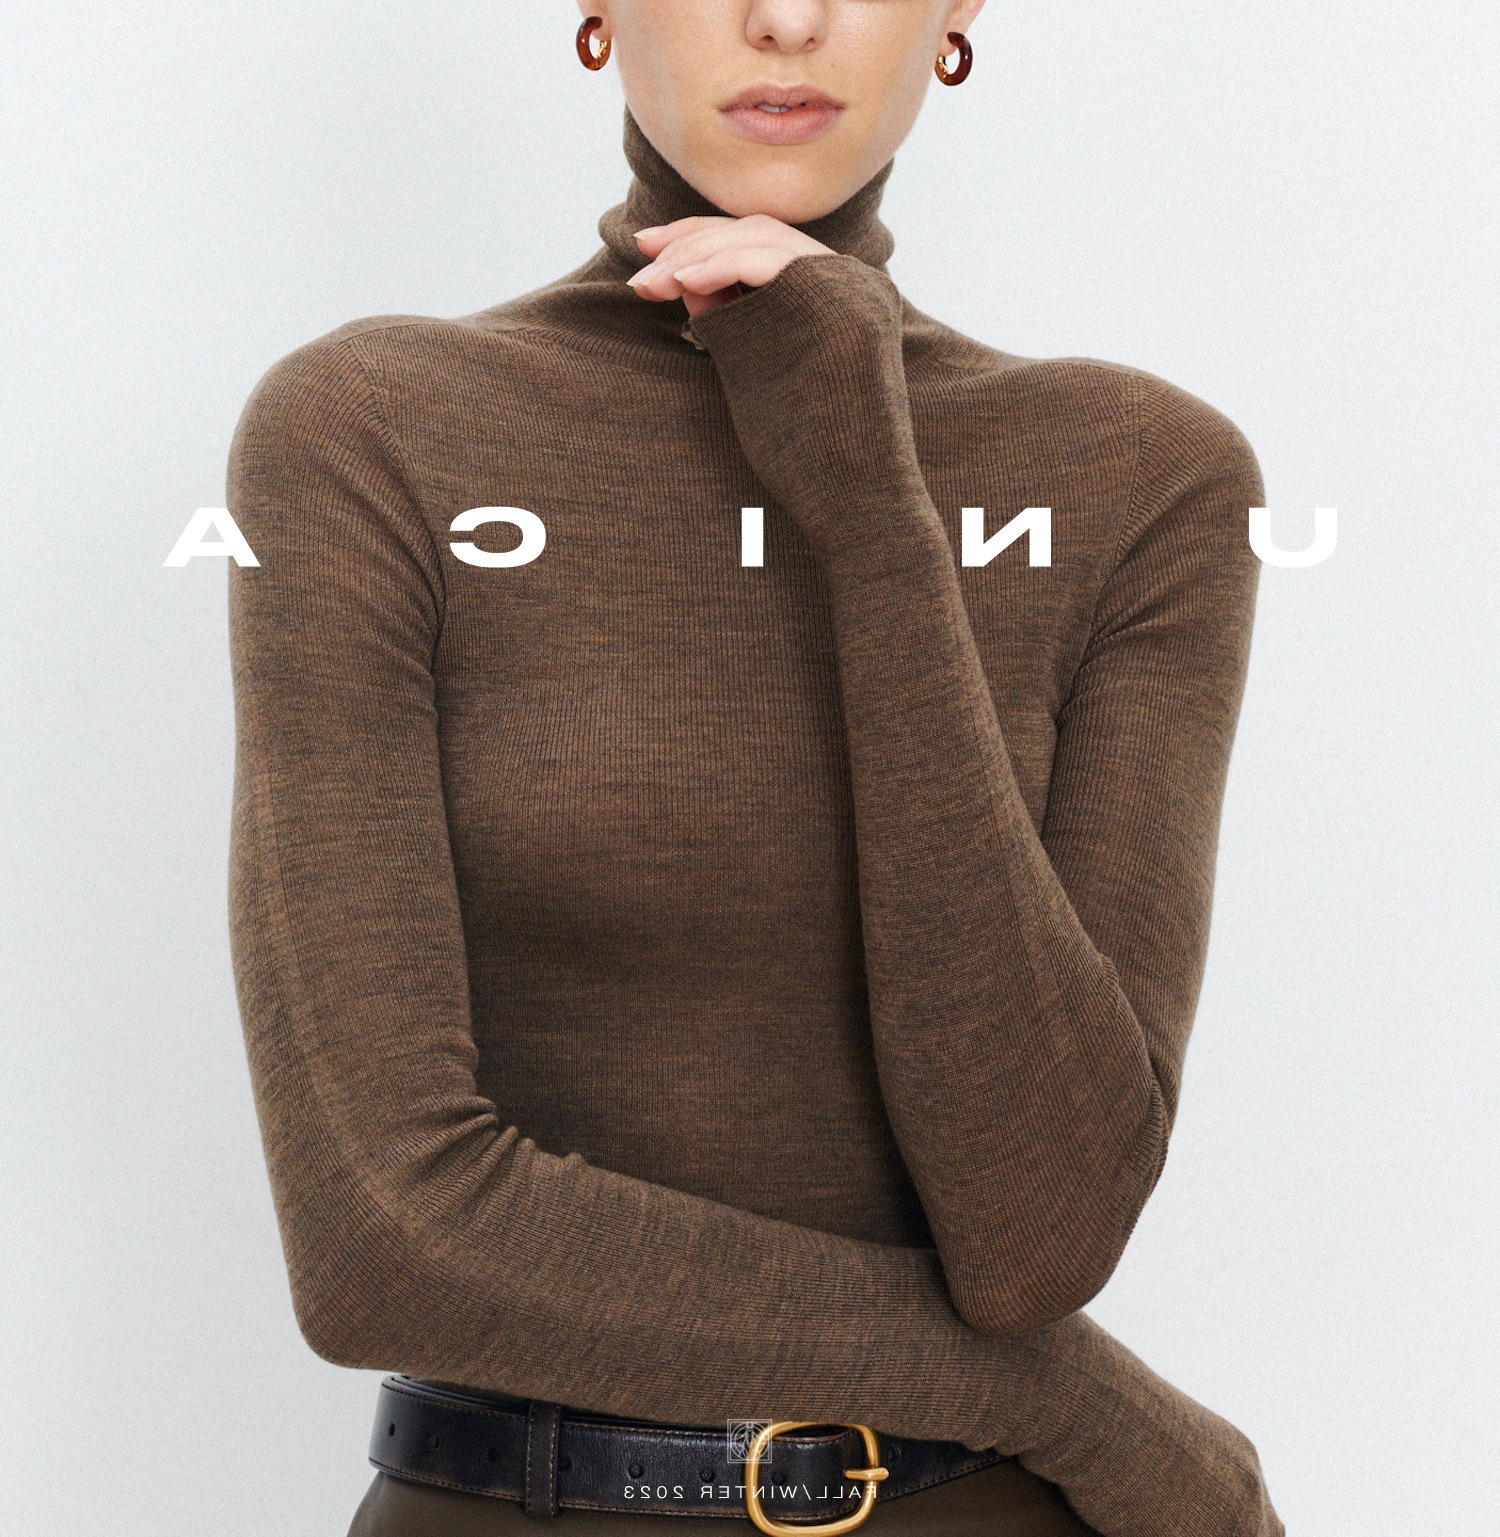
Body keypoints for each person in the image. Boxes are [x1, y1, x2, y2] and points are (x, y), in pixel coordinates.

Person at [224, 3, 1284, 1534]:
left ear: (959, 10)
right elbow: (383, 1242)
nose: (785, 18)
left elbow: (1040, 1238)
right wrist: (1072, 1401)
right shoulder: (373, 433)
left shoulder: (1143, 481)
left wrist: (870, 505)